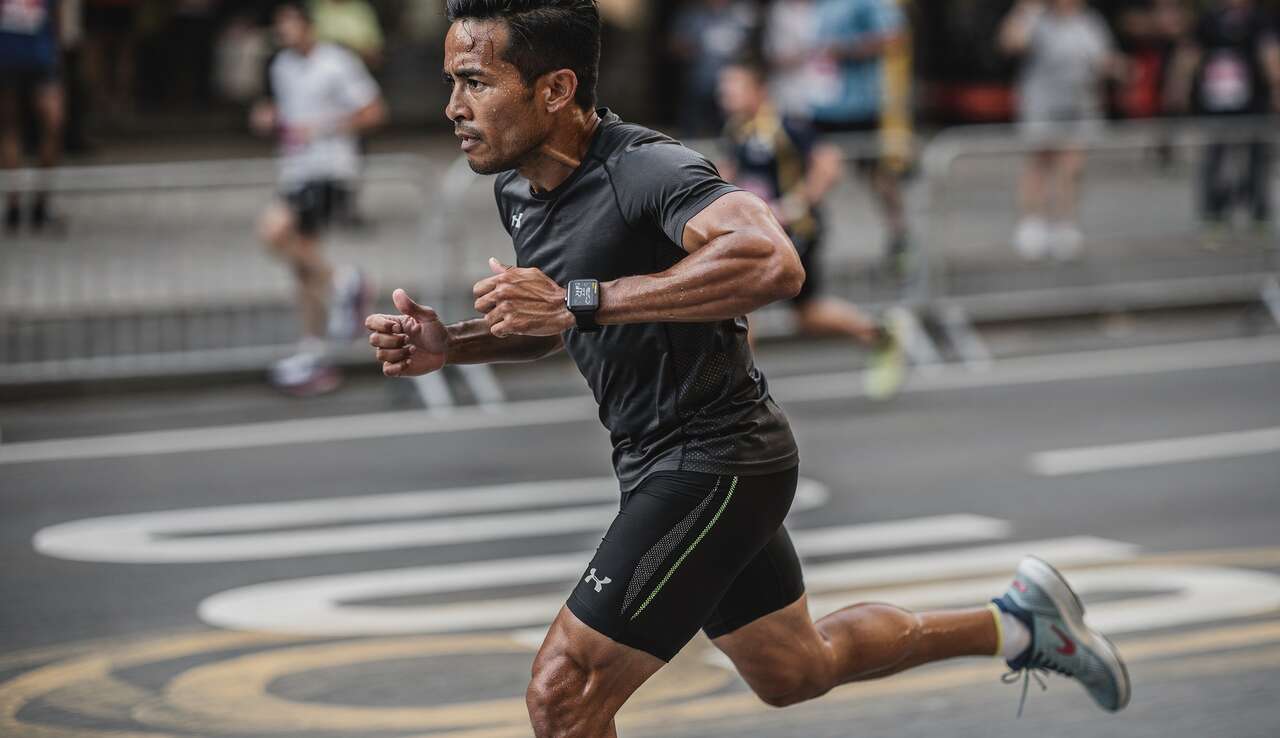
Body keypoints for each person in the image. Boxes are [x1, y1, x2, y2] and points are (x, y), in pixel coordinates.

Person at [365, 2, 1131, 735]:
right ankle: (1018, 623)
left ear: (556, 88)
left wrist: (579, 298)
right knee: (795, 669)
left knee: (564, 693)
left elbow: (772, 260)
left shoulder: (646, 169)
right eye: (451, 83)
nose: (452, 108)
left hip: (716, 458)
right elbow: (554, 321)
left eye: (475, 82)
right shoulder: (522, 191)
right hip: (660, 459)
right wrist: (452, 345)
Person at [717, 57, 905, 400]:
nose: (725, 94)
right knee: (807, 314)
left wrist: (796, 204)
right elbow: (729, 174)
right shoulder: (736, 129)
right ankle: (880, 332)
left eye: (734, 86)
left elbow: (829, 163)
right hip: (760, 233)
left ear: (758, 90)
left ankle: (735, 394)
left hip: (795, 232)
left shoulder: (786, 125)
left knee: (741, 302)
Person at [253, 2, 386, 395]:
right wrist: (271, 117)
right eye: (279, 26)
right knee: (302, 266)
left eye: (290, 24)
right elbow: (290, 114)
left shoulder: (337, 62)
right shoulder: (281, 67)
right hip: (294, 169)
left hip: (330, 168)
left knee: (273, 232)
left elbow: (374, 112)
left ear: (308, 26)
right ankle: (314, 353)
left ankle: (347, 281)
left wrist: (323, 128)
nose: (284, 33)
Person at [1000, 0, 1123, 262]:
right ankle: (1032, 224)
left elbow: (1102, 58)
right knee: (1039, 164)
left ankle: (1065, 224)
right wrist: (1027, 10)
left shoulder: (1089, 22)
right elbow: (1011, 43)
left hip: (1080, 107)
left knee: (1072, 166)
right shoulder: (1038, 19)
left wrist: (1118, 68)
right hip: (1042, 105)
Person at [1166, 0, 1280, 240]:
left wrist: (1275, 86)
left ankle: (1258, 213)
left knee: (1256, 160)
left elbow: (1270, 54)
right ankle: (1213, 214)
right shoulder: (1209, 19)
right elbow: (1190, 53)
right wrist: (1180, 85)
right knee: (1214, 160)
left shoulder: (1260, 19)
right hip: (1215, 105)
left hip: (1252, 103)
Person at [0, 0, 65, 233]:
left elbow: (56, 18)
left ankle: (39, 203)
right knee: (11, 129)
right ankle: (15, 205)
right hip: (12, 59)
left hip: (39, 58)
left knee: (49, 126)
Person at [668, 0, 756, 137]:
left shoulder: (741, 14)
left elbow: (753, 48)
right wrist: (696, 46)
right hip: (699, 82)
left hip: (730, 88)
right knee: (691, 130)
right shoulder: (693, 16)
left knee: (729, 131)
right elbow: (675, 46)